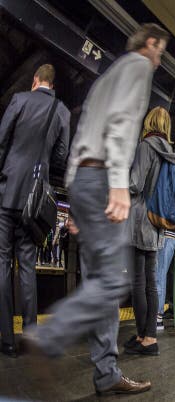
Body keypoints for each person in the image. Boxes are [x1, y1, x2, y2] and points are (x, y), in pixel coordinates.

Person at [25, 23, 170, 395]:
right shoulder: (137, 67)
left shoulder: (109, 75)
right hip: (104, 177)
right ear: (151, 43)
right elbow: (121, 126)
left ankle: (106, 371)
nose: (160, 59)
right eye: (161, 50)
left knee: (97, 281)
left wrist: (76, 198)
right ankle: (49, 335)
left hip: (84, 179)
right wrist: (119, 184)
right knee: (112, 281)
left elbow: (85, 128)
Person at [0, 63, 70, 358]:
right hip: (35, 199)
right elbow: (61, 155)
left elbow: (2, 141)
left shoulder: (19, 100)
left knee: (2, 264)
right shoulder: (62, 111)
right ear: (52, 85)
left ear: (35, 81)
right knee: (27, 267)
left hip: (7, 194)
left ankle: (6, 340)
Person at [124, 106, 175, 356]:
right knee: (151, 282)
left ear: (148, 122)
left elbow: (135, 183)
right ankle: (148, 336)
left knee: (138, 281)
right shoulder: (170, 154)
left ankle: (145, 337)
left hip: (139, 219)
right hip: (157, 224)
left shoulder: (146, 146)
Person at [156, 227, 175, 330]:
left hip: (166, 235)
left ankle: (158, 319)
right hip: (170, 236)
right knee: (163, 275)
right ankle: (160, 314)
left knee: (159, 276)